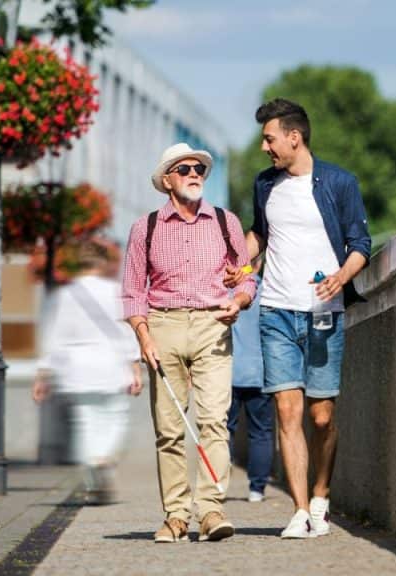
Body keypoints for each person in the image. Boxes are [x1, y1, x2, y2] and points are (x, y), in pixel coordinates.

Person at [225, 98, 372, 539]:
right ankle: (300, 510)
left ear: (294, 137)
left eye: (269, 139)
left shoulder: (339, 183)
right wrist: (243, 266)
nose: (265, 147)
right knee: (287, 412)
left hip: (324, 313)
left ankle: (322, 495)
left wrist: (340, 277)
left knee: (322, 417)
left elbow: (360, 242)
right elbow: (261, 235)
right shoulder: (265, 184)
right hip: (276, 311)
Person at [123, 143, 256, 543]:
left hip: (212, 325)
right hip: (162, 327)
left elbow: (245, 272)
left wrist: (240, 299)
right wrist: (143, 337)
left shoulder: (224, 221)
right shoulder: (144, 228)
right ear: (167, 180)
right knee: (169, 429)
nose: (194, 173)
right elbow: (132, 291)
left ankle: (211, 511)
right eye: (184, 169)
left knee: (215, 420)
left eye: (199, 168)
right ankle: (176, 516)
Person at [32, 240, 142, 505]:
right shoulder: (117, 292)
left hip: (78, 369)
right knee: (115, 417)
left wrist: (43, 374)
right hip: (112, 365)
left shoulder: (64, 295)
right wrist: (135, 366)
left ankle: (94, 472)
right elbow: (127, 331)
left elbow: (54, 336)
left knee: (86, 424)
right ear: (103, 264)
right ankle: (104, 459)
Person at [227, 270, 274, 503]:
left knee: (223, 430)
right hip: (261, 372)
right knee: (261, 432)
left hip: (228, 371)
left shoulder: (224, 291)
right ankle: (257, 489)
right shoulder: (268, 290)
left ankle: (218, 482)